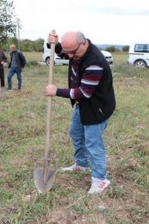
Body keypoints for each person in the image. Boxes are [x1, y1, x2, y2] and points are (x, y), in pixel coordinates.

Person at [45, 31, 115, 194]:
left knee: (93, 143)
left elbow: (84, 92)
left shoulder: (94, 62)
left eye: (72, 52)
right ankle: (82, 164)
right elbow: (63, 50)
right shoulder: (76, 51)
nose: (69, 56)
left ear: (84, 44)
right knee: (76, 133)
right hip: (82, 105)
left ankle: (100, 179)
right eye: (67, 52)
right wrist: (52, 44)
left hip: (97, 107)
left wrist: (56, 91)